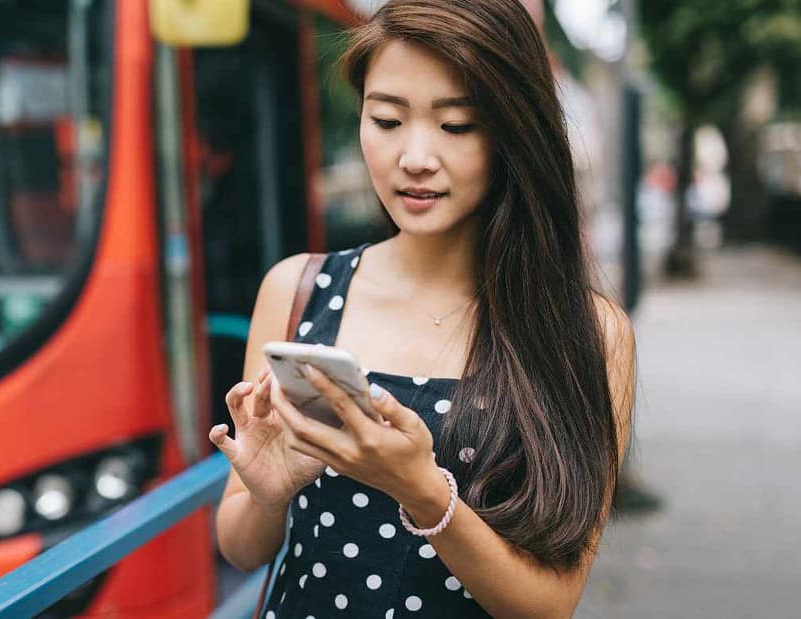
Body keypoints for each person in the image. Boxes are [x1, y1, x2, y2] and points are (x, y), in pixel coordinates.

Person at [208, 1, 636, 617]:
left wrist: (424, 493)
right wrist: (268, 492)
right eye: (386, 119)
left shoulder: (590, 334)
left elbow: (549, 604)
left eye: (455, 126)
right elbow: (241, 548)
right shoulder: (298, 289)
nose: (414, 157)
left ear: (515, 131)